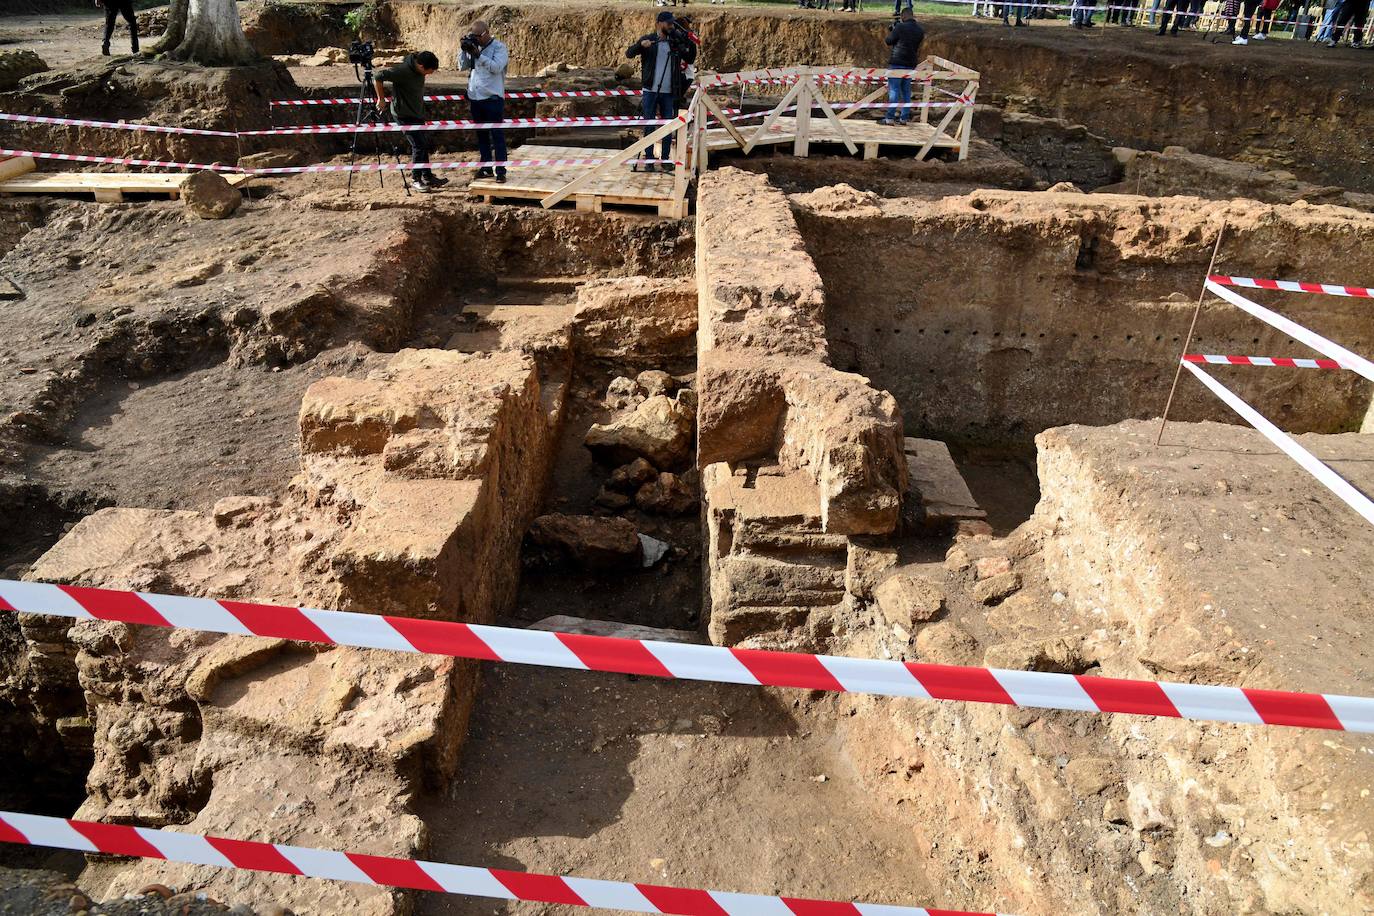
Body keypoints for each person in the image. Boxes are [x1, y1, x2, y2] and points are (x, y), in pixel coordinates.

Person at [627, 12, 697, 173]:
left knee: (667, 126)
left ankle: (665, 159)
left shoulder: (675, 43)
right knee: (649, 125)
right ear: (659, 24)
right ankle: (649, 159)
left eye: (672, 24)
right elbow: (629, 53)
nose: (671, 26)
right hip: (650, 90)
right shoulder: (650, 39)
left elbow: (690, 58)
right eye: (668, 24)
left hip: (669, 92)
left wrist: (689, 40)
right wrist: (640, 46)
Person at [374, 51, 445, 192]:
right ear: (420, 65)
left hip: (417, 113)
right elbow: (378, 76)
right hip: (403, 115)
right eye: (427, 72)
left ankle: (427, 176)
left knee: (423, 144)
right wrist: (381, 99)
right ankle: (416, 179)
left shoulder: (419, 66)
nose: (427, 75)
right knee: (418, 145)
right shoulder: (402, 71)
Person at [459, 21, 510, 184]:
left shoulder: (499, 48)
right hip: (475, 98)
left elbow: (496, 68)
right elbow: (461, 66)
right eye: (473, 37)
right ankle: (486, 167)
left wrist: (479, 55)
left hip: (493, 99)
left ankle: (500, 171)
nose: (477, 40)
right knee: (482, 136)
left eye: (478, 37)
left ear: (487, 33)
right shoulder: (474, 47)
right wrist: (463, 50)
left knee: (497, 136)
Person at [882, 8, 924, 126]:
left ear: (903, 16)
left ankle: (890, 118)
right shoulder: (920, 30)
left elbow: (889, 41)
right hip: (910, 64)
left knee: (894, 90)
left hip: (897, 62)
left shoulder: (900, 27)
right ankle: (904, 118)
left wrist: (893, 31)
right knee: (906, 91)